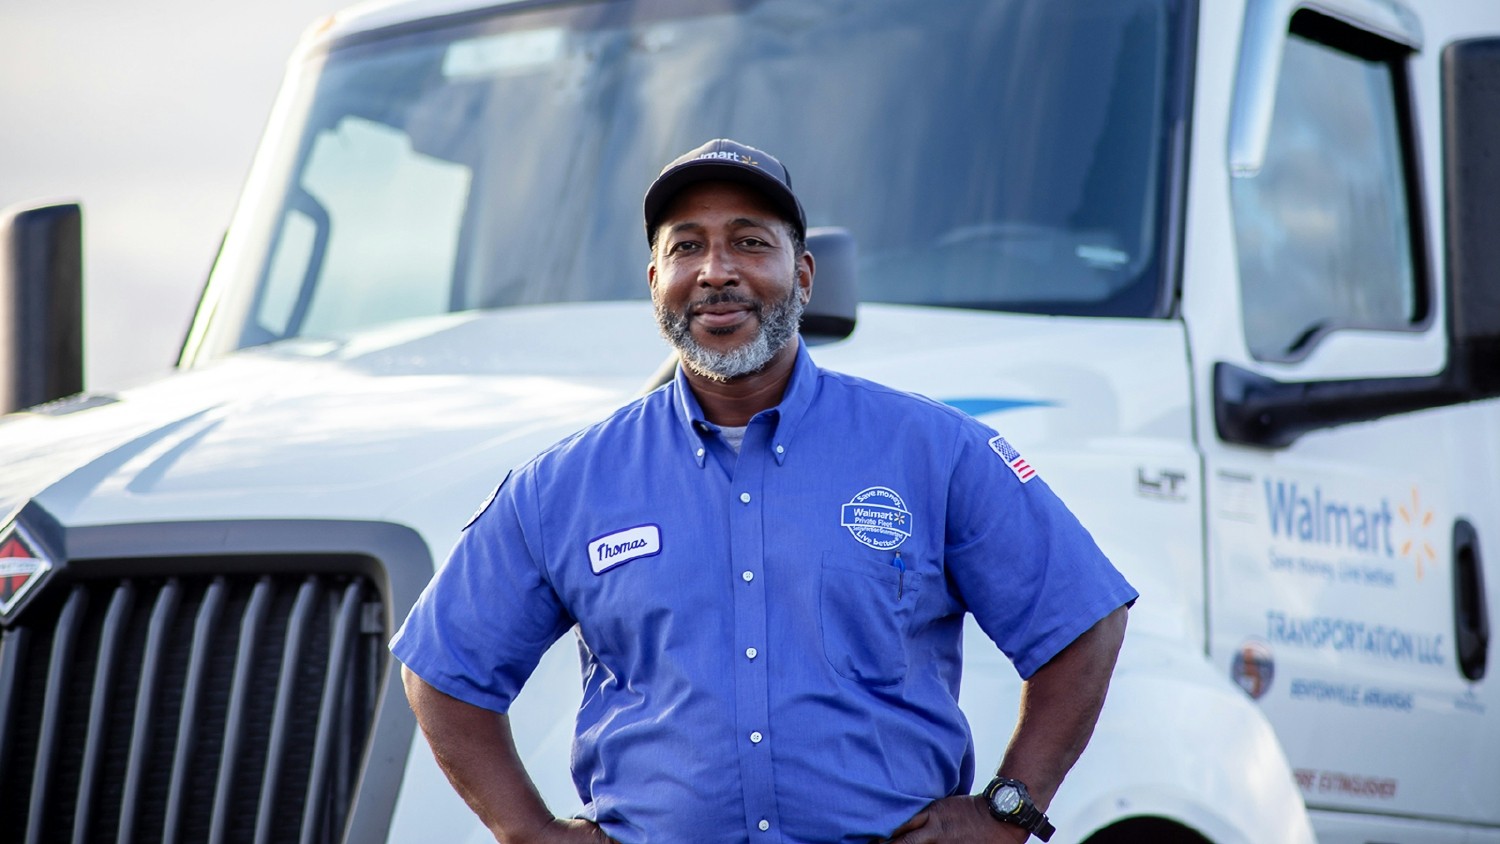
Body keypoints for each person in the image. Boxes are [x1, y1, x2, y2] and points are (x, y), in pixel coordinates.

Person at [391, 138, 1137, 844]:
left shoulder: (935, 451)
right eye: (686, 246)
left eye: (750, 241)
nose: (716, 270)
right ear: (656, 282)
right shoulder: (564, 485)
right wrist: (527, 831)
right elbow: (443, 668)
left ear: (804, 276)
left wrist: (1010, 808)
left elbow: (1081, 621)